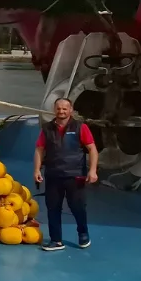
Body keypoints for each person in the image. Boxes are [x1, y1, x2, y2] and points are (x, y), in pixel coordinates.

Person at [35, 98, 98, 250]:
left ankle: (83, 233)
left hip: (75, 175)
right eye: (58, 109)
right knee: (53, 208)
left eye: (65, 109)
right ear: (54, 110)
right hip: (53, 174)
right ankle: (56, 240)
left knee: (77, 207)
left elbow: (92, 149)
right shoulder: (47, 128)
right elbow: (39, 149)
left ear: (71, 110)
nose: (61, 111)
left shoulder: (80, 127)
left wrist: (93, 170)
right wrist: (37, 169)